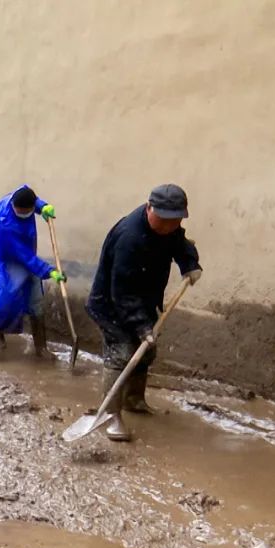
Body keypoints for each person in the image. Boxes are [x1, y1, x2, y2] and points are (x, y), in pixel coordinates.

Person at [86, 184, 201, 441]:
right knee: (123, 353)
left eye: (175, 220)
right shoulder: (129, 237)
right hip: (111, 305)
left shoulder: (169, 228)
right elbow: (122, 292)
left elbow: (180, 244)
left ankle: (134, 400)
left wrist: (190, 264)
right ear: (149, 208)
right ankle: (110, 415)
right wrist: (141, 326)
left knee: (146, 351)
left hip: (145, 302)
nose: (168, 226)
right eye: (163, 219)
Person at [0, 185, 65, 360]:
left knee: (36, 302)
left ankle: (41, 348)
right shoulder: (5, 224)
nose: (20, 211)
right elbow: (23, 256)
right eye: (18, 210)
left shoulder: (21, 197)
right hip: (5, 260)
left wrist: (43, 207)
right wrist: (49, 271)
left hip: (28, 256)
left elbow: (30, 195)